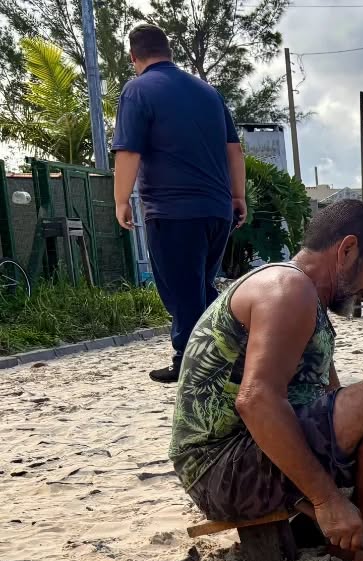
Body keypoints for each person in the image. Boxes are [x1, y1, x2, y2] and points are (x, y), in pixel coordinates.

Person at [168, 199, 363, 561]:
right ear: (347, 250)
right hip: (221, 471)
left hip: (250, 458)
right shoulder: (286, 289)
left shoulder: (309, 303)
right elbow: (256, 400)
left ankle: (355, 539)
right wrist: (328, 500)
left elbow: (334, 399)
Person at [112, 23, 246, 384]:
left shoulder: (138, 90)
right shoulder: (208, 92)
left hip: (173, 211)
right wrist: (238, 196)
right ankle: (229, 348)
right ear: (168, 51)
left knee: (181, 291)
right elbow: (234, 150)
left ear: (133, 57)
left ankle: (192, 365)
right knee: (200, 286)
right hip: (217, 210)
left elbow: (128, 151)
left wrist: (121, 200)